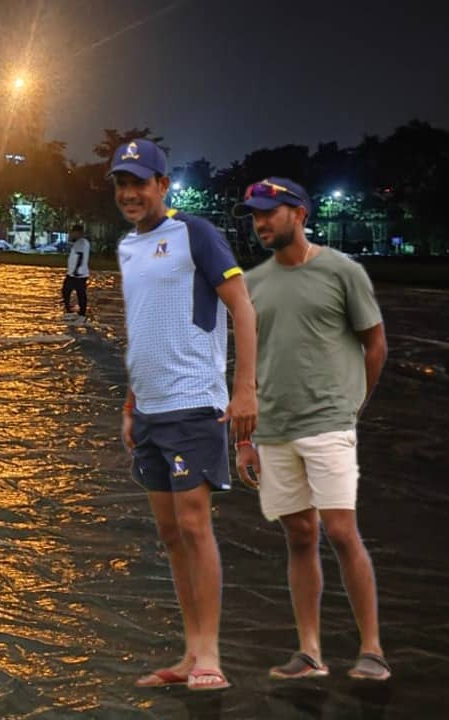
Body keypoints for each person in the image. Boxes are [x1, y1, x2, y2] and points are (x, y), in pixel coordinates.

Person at [111, 139, 258, 692]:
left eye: (139, 183)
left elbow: (243, 307)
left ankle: (211, 655)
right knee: (171, 533)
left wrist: (244, 390)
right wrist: (131, 402)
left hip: (194, 404)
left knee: (195, 527)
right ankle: (191, 651)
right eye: (122, 184)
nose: (130, 193)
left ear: (162, 185)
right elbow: (145, 327)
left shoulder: (195, 233)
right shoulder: (129, 248)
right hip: (150, 410)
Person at [232, 177, 391, 682]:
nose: (260, 223)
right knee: (300, 536)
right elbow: (248, 366)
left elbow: (375, 345)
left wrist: (352, 406)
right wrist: (244, 439)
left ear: (299, 214)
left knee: (341, 531)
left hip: (327, 424)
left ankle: (372, 650)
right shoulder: (253, 284)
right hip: (274, 429)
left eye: (269, 212)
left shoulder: (342, 272)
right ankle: (309, 652)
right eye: (255, 215)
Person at [62, 223, 91, 322]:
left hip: (78, 274)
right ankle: (72, 312)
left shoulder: (81, 242)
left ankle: (81, 314)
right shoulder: (79, 242)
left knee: (79, 293)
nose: (71, 234)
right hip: (74, 273)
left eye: (73, 232)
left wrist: (76, 270)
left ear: (78, 233)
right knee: (67, 291)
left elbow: (80, 257)